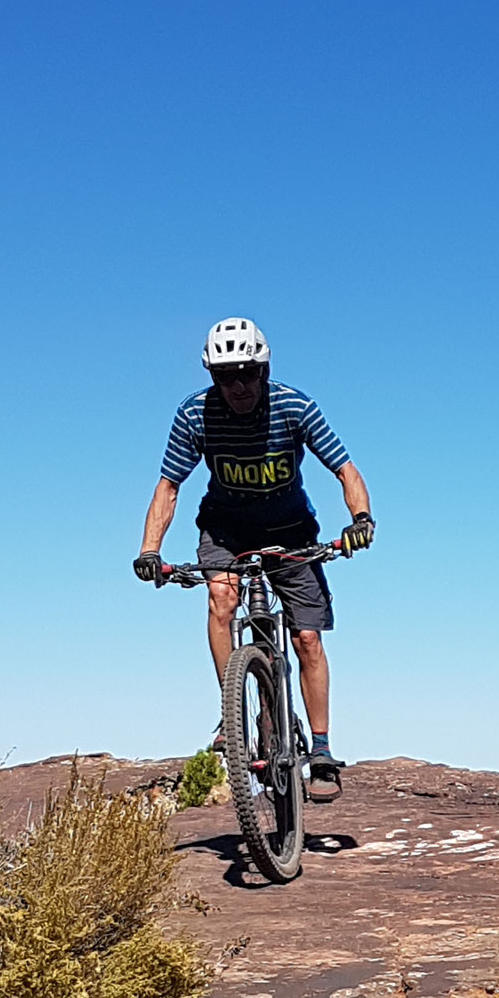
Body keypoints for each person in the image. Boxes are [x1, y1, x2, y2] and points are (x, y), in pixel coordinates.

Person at [133, 316, 372, 784]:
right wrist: (149, 549)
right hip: (226, 528)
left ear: (264, 369)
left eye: (247, 372)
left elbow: (346, 470)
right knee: (221, 598)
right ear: (212, 377)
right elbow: (168, 487)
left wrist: (360, 521)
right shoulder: (194, 415)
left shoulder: (294, 407)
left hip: (291, 529)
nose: (238, 385)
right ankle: (234, 715)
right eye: (225, 376)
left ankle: (321, 750)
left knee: (306, 638)